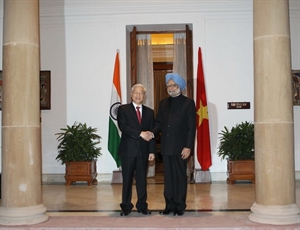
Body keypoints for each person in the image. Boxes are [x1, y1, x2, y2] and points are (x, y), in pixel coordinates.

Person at [152, 73, 196, 216]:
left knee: (180, 177)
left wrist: (188, 146)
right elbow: (158, 122)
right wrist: (151, 133)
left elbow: (191, 127)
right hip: (166, 147)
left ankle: (180, 205)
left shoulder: (188, 103)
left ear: (180, 87)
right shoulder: (163, 103)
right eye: (168, 85)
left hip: (181, 147)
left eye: (173, 85)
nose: (170, 88)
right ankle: (169, 205)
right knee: (168, 178)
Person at [117, 83, 155, 216]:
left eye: (141, 93)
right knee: (127, 180)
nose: (138, 95)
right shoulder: (123, 109)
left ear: (144, 96)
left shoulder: (150, 112)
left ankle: (142, 205)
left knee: (142, 180)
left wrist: (151, 151)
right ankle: (126, 206)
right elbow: (123, 127)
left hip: (143, 152)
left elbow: (151, 134)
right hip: (128, 151)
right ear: (131, 94)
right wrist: (140, 133)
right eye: (136, 93)